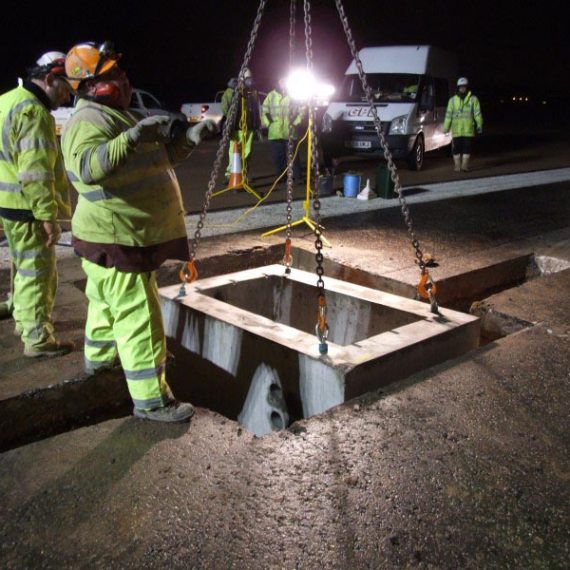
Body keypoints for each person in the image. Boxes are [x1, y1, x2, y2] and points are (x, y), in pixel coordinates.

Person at [61, 41, 214, 423]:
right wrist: (133, 136)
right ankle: (152, 401)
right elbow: (88, 167)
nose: (123, 80)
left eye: (120, 72)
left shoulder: (113, 115)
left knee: (104, 303)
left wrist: (188, 140)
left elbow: (154, 159)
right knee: (139, 317)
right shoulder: (88, 121)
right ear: (92, 85)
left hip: (112, 236)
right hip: (118, 238)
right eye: (113, 75)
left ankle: (99, 360)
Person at [0, 51, 74, 358]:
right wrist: (47, 216)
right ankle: (38, 339)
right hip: (28, 208)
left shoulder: (8, 100)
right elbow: (36, 172)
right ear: (50, 79)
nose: (68, 96)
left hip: (9, 203)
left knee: (22, 267)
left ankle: (21, 317)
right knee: (38, 273)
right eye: (65, 89)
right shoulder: (34, 113)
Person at [221, 69, 261, 181]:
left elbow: (256, 109)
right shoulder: (231, 91)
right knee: (234, 153)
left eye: (250, 79)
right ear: (241, 80)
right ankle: (230, 175)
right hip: (236, 128)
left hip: (249, 128)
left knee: (247, 153)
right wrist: (231, 116)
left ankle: (243, 174)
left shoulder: (252, 91)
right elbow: (224, 107)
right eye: (248, 79)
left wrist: (257, 125)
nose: (250, 82)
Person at [262, 78, 304, 184]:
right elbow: (264, 111)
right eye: (281, 82)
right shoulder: (271, 96)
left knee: (293, 156)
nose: (283, 84)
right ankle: (281, 177)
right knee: (278, 157)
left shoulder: (294, 95)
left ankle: (297, 177)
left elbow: (302, 109)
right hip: (275, 133)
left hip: (290, 132)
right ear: (277, 84)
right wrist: (269, 124)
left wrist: (295, 122)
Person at [443, 77, 483, 172]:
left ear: (467, 87)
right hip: (456, 130)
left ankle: (464, 165)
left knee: (467, 148)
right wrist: (446, 128)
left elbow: (477, 113)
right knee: (456, 148)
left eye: (464, 87)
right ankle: (457, 166)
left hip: (468, 129)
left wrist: (479, 125)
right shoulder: (452, 100)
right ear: (458, 88)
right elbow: (448, 115)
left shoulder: (473, 99)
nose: (462, 88)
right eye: (461, 87)